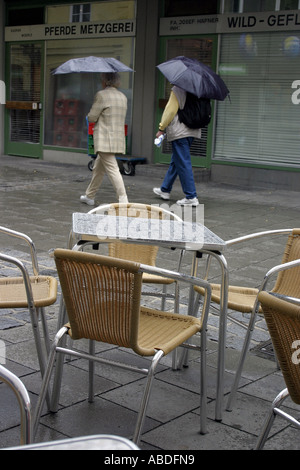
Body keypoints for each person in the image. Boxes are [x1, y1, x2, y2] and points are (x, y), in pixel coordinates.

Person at [80, 72, 128, 206]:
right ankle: (90, 195)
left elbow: (92, 117)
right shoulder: (122, 97)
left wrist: (89, 115)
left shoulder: (101, 95)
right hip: (117, 138)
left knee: (113, 169)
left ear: (105, 81)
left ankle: (123, 199)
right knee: (98, 168)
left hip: (104, 138)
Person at [153, 85, 201, 206]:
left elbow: (170, 110)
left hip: (180, 131)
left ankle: (191, 196)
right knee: (177, 160)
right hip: (193, 130)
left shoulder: (178, 89)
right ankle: (165, 189)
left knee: (183, 163)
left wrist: (161, 128)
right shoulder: (198, 89)